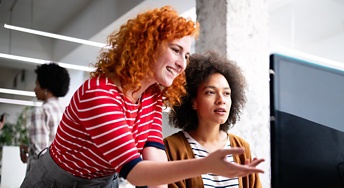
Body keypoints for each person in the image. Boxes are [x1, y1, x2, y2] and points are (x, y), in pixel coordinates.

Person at [20, 6, 264, 188]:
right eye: (176, 50)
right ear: (146, 45)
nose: (182, 64)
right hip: (57, 182)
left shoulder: (151, 95)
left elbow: (154, 157)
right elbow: (135, 173)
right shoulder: (100, 95)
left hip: (104, 182)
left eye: (187, 56)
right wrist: (206, 165)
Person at [164, 51, 262, 188]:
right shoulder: (172, 148)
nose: (221, 100)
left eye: (226, 93)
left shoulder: (240, 148)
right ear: (193, 101)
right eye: (210, 92)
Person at [19, 62, 70, 173]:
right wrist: (29, 149)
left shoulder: (41, 112)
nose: (35, 89)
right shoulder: (66, 110)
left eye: (37, 85)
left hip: (39, 178)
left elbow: (40, 154)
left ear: (46, 88)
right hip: (59, 175)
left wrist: (30, 155)